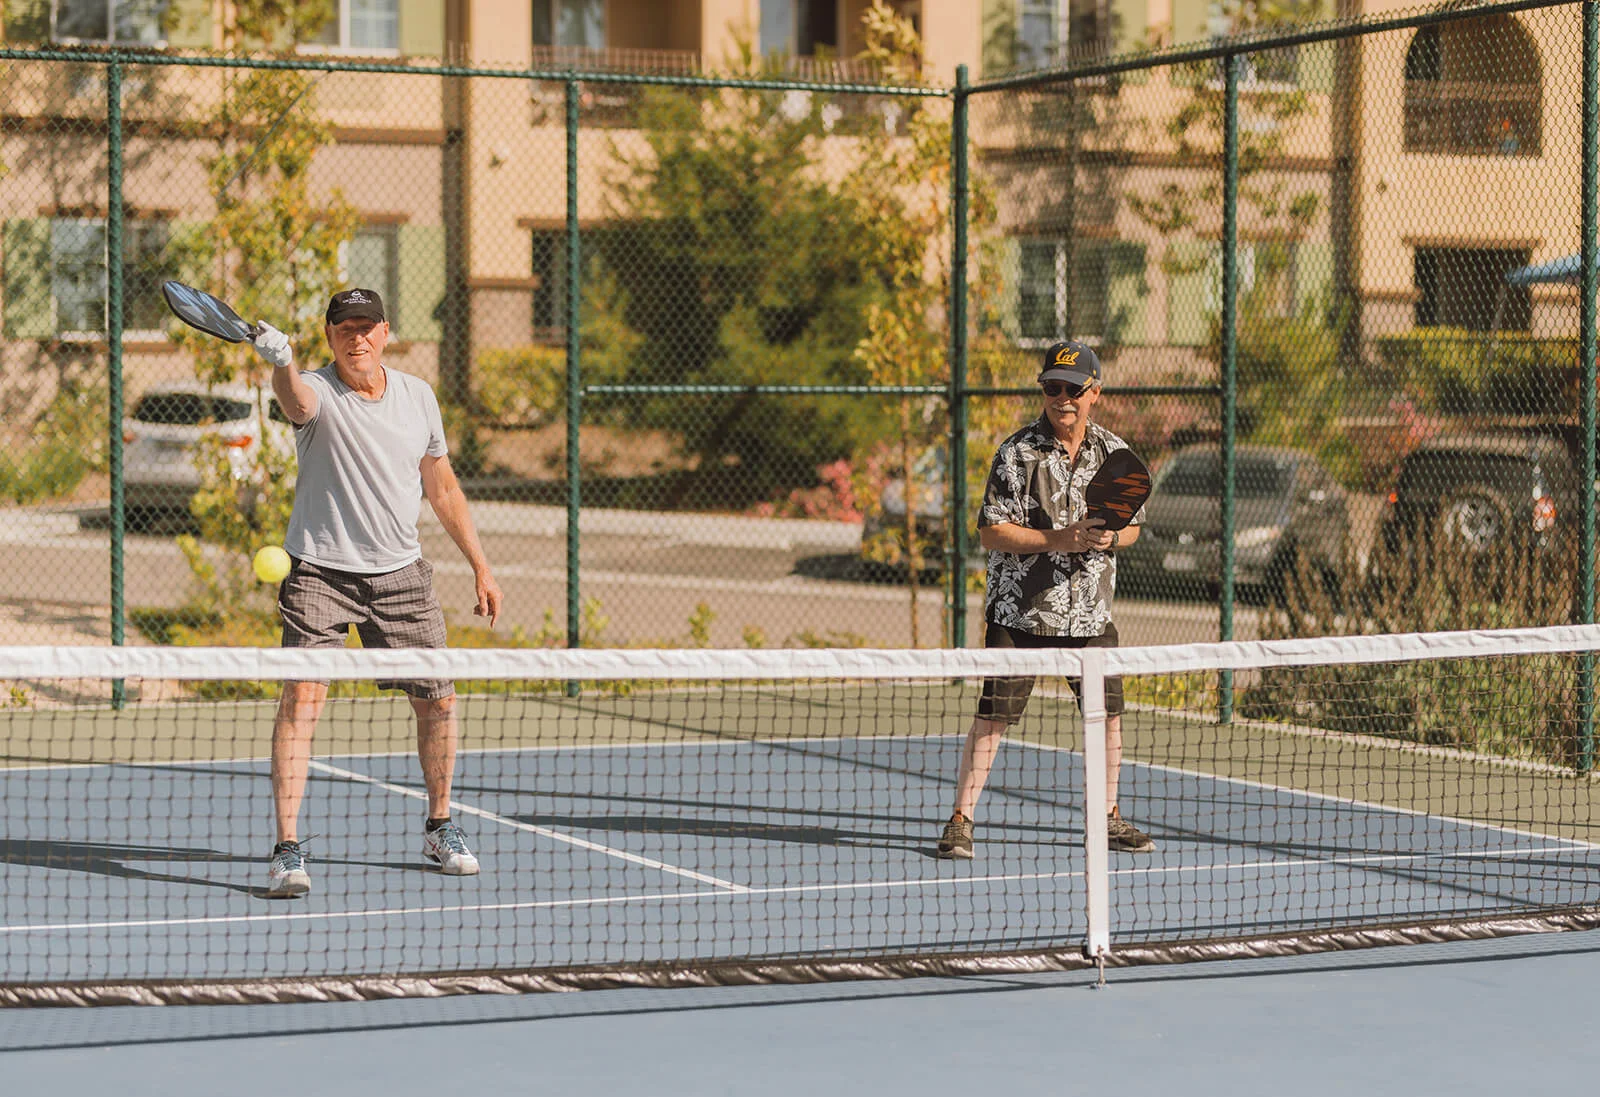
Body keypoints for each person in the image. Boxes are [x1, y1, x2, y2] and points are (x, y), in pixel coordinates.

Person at [250, 288, 504, 899]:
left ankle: (440, 826)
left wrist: (481, 566)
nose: (356, 338)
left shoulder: (418, 396)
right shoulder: (315, 390)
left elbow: (441, 486)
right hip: (319, 573)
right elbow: (295, 400)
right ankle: (288, 850)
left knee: (439, 702)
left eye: (367, 326)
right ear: (330, 335)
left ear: (385, 332)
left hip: (402, 575)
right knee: (302, 700)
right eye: (344, 328)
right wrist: (281, 360)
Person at [936, 339, 1152, 860]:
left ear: (1094, 392)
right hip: (1021, 610)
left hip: (1090, 612)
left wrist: (1107, 538)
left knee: (1108, 717)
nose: (1063, 399)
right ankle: (960, 820)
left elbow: (1133, 530)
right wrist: (1060, 539)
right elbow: (991, 533)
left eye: (1073, 390)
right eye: (1053, 388)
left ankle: (1107, 816)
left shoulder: (1113, 453)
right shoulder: (1016, 452)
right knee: (994, 717)